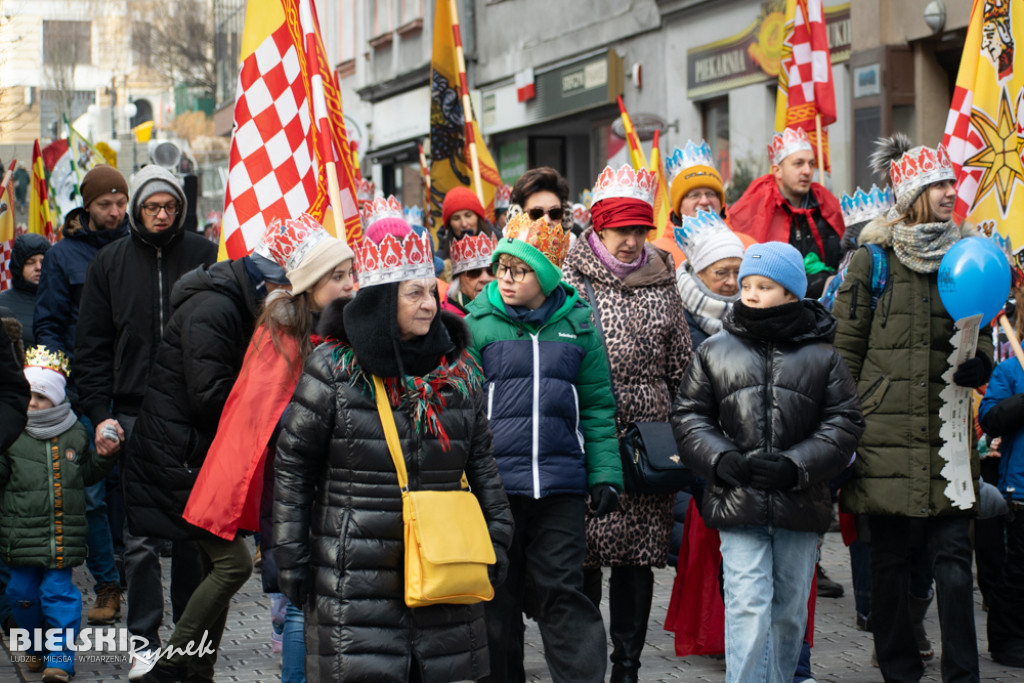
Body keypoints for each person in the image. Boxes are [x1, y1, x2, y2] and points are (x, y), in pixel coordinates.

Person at [272, 209, 513, 682]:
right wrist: (291, 556)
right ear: (384, 300)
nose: (430, 304)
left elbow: (482, 462)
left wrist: (499, 538)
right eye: (415, 293)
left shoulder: (457, 371)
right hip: (356, 581)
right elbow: (293, 466)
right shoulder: (335, 369)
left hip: (446, 574)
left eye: (432, 291)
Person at [833, 133, 993, 682]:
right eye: (940, 184)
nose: (953, 192)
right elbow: (844, 354)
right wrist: (847, 429)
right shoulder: (870, 263)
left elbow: (982, 330)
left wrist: (984, 364)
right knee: (891, 564)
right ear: (912, 196)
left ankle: (962, 675)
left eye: (953, 182)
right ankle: (899, 671)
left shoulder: (970, 256)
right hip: (885, 439)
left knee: (953, 565)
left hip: (947, 435)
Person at [673, 241, 864, 683]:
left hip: (800, 504)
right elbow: (688, 415)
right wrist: (721, 459)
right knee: (746, 604)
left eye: (766, 286)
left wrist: (796, 465)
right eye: (748, 285)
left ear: (793, 295)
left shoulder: (824, 356)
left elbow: (844, 423)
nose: (752, 294)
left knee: (789, 610)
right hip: (737, 501)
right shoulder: (714, 351)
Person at [179, 213, 355, 683]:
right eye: (337, 276)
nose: (349, 285)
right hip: (292, 484)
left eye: (350, 274)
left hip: (334, 483)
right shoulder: (283, 331)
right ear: (311, 283)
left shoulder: (336, 329)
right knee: (296, 598)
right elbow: (264, 419)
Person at [122, 233, 293, 682]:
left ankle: (199, 670)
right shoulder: (215, 310)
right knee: (233, 564)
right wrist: (266, 407)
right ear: (266, 286)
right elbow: (209, 397)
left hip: (192, 458)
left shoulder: (230, 304)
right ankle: (173, 664)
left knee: (210, 571)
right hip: (178, 461)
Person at [465, 209, 622, 683]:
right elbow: (463, 411)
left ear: (548, 275)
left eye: (521, 270)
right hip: (495, 492)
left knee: (563, 593)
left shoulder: (578, 326)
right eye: (502, 268)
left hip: (560, 489)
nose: (506, 279)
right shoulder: (476, 326)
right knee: (496, 599)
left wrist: (605, 473)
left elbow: (596, 407)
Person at [74, 164, 217, 678]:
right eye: (153, 207)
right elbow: (90, 348)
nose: (162, 215)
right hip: (131, 413)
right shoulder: (110, 262)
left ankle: (188, 639)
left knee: (190, 535)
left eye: (171, 207)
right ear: (136, 208)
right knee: (136, 538)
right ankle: (143, 640)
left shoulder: (204, 254)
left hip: (192, 415)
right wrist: (99, 415)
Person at [560, 164, 692, 683]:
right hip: (589, 438)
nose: (633, 241)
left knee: (638, 558)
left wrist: (686, 431)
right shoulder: (567, 279)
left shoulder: (664, 278)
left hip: (650, 443)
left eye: (641, 230)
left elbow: (682, 362)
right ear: (598, 228)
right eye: (622, 231)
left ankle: (628, 665)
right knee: (586, 558)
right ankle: (587, 661)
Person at [32, 164, 129, 629]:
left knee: (132, 489)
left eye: (120, 203)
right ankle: (108, 582)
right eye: (105, 204)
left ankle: (134, 570)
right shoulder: (63, 256)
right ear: (87, 207)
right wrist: (59, 385)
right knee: (90, 494)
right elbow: (48, 323)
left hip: (136, 389)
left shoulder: (139, 249)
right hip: (82, 392)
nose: (115, 212)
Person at [1, 346, 118, 683]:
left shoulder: (75, 432)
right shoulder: (11, 434)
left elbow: (87, 474)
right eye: (29, 395)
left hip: (60, 540)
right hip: (20, 540)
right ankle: (36, 648)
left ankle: (60, 660)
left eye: (41, 396)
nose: (33, 403)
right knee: (21, 596)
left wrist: (105, 456)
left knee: (59, 597)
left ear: (56, 398)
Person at [729, 127, 846, 298]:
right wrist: (822, 282)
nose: (807, 171)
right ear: (777, 170)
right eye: (798, 163)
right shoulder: (757, 205)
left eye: (811, 164)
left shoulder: (826, 204)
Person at [979, 303, 1024, 668]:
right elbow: (990, 419)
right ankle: (1006, 639)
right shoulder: (1011, 370)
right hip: (1021, 489)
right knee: (1019, 570)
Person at [0, 233, 50, 347]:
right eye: (30, 262)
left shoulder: (62, 301)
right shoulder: (2, 305)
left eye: (43, 262)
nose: (38, 268)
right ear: (19, 267)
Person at [440, 231, 496, 316]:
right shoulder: (444, 320)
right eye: (474, 272)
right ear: (458, 281)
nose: (485, 278)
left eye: (491, 271)